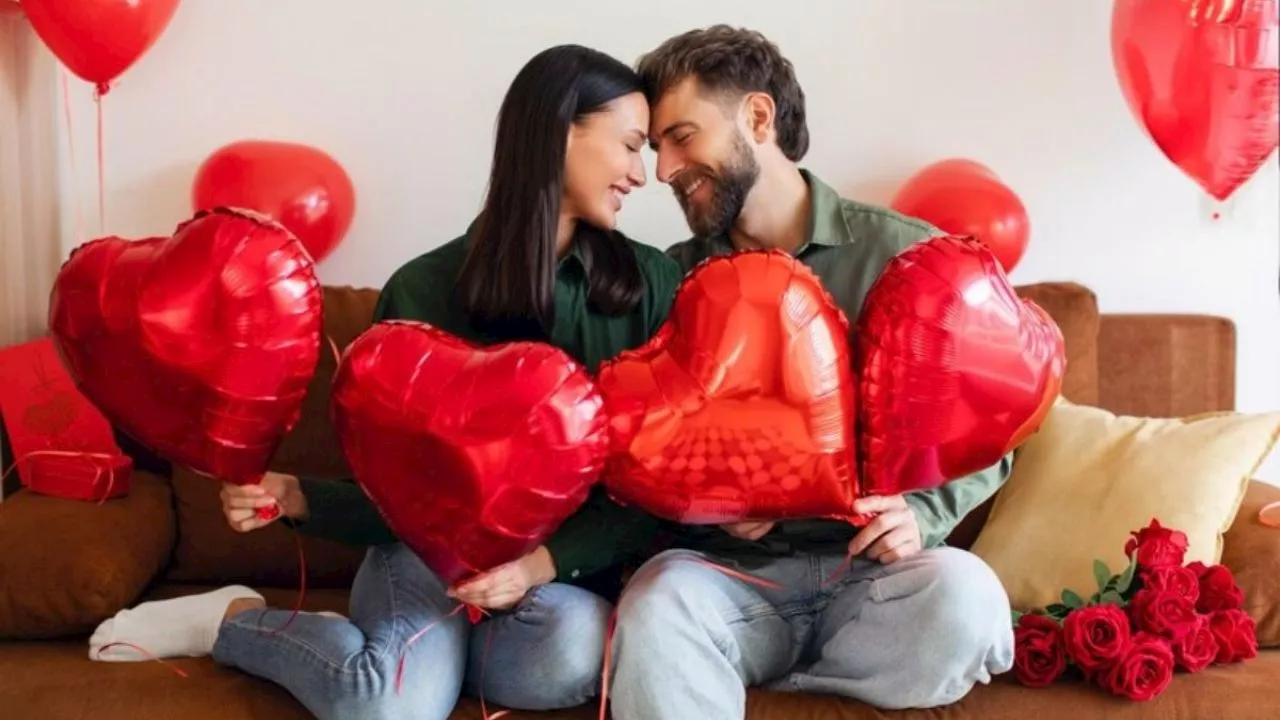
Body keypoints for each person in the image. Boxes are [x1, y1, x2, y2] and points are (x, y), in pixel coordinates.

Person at [87, 44, 683, 720]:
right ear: (558, 131)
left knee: (573, 655)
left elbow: (649, 490)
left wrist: (539, 566)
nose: (643, 174)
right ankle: (234, 620)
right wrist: (295, 495)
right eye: (631, 145)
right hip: (421, 559)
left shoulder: (651, 289)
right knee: (385, 708)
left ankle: (428, 661)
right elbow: (391, 493)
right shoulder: (423, 289)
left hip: (546, 587)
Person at [606, 25, 1016, 720]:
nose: (665, 169)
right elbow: (638, 445)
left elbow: (999, 417)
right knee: (653, 606)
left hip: (874, 582)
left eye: (681, 136)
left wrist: (922, 512)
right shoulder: (667, 281)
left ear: (758, 118)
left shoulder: (907, 257)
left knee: (969, 598)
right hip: (729, 582)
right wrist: (708, 501)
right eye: (655, 149)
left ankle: (790, 695)